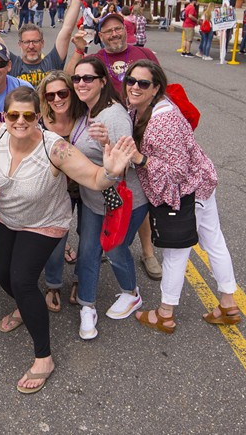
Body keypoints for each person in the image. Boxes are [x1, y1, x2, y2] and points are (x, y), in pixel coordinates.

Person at [0, 87, 134, 394]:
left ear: (38, 117)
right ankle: (26, 307)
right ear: (5, 116)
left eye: (28, 115)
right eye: (14, 115)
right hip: (5, 217)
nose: (20, 121)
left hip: (44, 222)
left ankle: (43, 358)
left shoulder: (55, 148)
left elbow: (93, 178)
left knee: (22, 281)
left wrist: (111, 172)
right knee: (2, 275)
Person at [123, 60, 240, 334]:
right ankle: (228, 303)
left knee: (176, 252)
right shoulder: (142, 108)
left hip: (186, 192)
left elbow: (176, 171)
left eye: (143, 83)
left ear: (156, 89)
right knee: (214, 242)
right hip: (201, 185)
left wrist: (141, 159)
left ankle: (165, 314)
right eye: (131, 81)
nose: (135, 87)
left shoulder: (162, 121)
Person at [65, 13, 162, 280]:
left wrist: (157, 117)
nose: (114, 35)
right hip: (114, 126)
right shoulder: (96, 60)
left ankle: (148, 252)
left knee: (134, 190)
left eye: (118, 29)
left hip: (141, 126)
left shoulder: (143, 53)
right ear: (101, 36)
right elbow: (73, 77)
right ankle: (106, 250)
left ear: (126, 30)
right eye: (107, 31)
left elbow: (160, 86)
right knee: (121, 193)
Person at [68, 57, 150, 340]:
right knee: (89, 250)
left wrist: (105, 144)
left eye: (88, 78)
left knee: (114, 250)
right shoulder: (87, 110)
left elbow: (124, 163)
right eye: (76, 78)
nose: (81, 83)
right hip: (94, 200)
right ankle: (87, 307)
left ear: (103, 81)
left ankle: (131, 293)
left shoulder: (114, 116)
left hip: (122, 202)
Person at [38, 71, 87, 313]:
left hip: (87, 189)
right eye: (50, 95)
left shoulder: (86, 118)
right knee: (56, 240)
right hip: (56, 193)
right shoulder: (39, 123)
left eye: (62, 92)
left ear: (71, 92)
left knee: (88, 238)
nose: (57, 99)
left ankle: (80, 279)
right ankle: (53, 284)